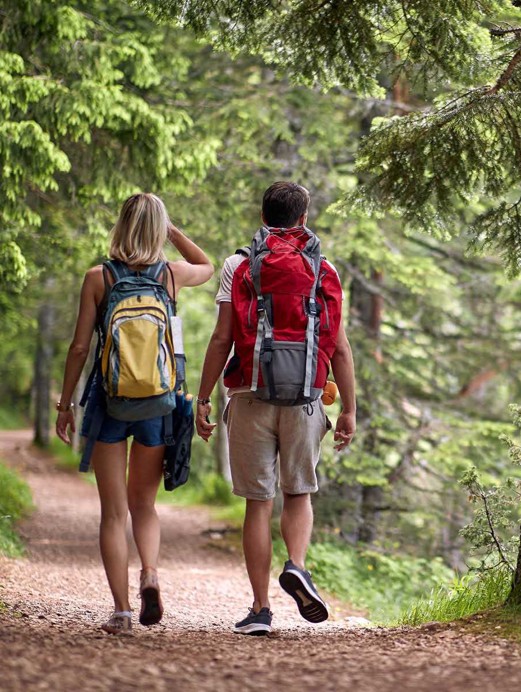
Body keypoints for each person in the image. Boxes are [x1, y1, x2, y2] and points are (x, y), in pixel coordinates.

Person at [195, 181, 356, 636]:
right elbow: (339, 347)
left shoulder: (238, 265)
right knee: (298, 492)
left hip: (248, 395)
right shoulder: (324, 268)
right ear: (303, 219)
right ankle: (298, 566)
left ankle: (261, 609)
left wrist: (202, 397)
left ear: (262, 215)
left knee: (257, 503)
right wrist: (348, 410)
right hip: (306, 396)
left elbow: (222, 337)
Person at [56, 193, 214, 635]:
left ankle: (122, 613)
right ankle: (150, 572)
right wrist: (172, 232)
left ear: (120, 226)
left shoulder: (98, 277)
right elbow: (207, 264)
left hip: (109, 403)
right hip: (158, 403)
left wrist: (65, 404)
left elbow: (80, 348)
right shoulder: (171, 275)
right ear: (158, 229)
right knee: (144, 504)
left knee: (113, 513)